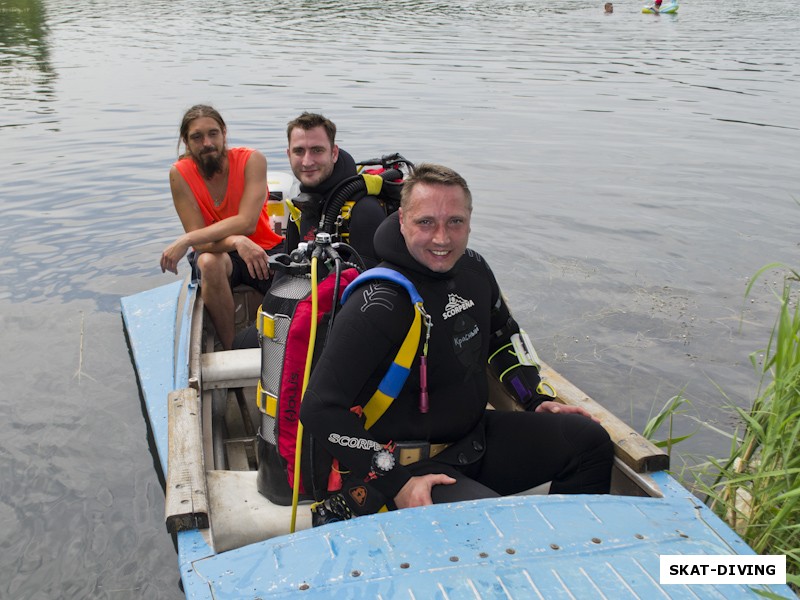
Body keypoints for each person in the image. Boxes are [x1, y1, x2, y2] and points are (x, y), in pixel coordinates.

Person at [300, 163, 614, 522]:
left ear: (469, 220)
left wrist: (535, 398)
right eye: (426, 222)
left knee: (588, 442)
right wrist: (397, 482)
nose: (442, 239)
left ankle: (571, 551)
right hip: (404, 467)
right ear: (402, 220)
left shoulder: (474, 271)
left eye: (455, 222)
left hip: (473, 441)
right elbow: (319, 410)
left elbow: (502, 337)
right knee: (494, 526)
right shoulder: (378, 303)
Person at [160, 104, 283, 350]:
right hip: (218, 251)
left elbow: (247, 222)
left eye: (213, 133)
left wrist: (185, 241)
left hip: (264, 248)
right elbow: (201, 243)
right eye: (197, 137)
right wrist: (237, 241)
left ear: (224, 133)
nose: (207, 142)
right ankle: (230, 349)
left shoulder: (252, 160)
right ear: (186, 141)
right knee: (207, 262)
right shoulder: (179, 174)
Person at [285, 112, 391, 268]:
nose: (307, 162)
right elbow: (287, 267)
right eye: (299, 151)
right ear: (289, 155)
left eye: (317, 150)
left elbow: (366, 284)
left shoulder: (364, 209)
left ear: (334, 153)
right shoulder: (302, 206)